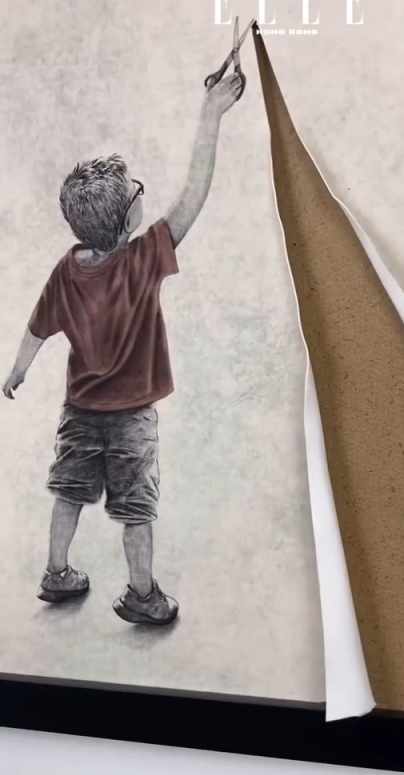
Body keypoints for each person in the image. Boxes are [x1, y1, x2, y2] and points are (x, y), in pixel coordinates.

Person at [2, 71, 244, 626]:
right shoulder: (143, 259)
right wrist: (210, 115)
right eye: (136, 192)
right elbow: (193, 196)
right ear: (125, 222)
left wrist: (17, 370)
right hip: (132, 417)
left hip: (79, 413)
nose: (141, 192)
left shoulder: (68, 269)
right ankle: (141, 594)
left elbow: (37, 328)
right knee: (137, 509)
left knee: (68, 492)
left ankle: (56, 573)